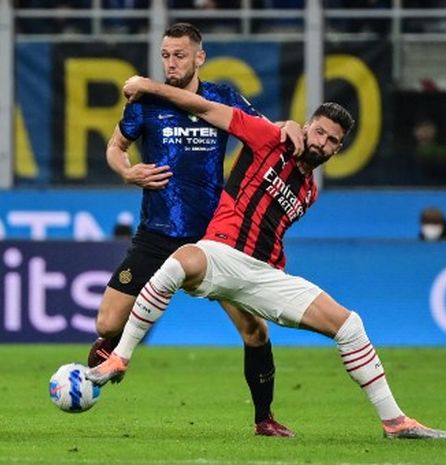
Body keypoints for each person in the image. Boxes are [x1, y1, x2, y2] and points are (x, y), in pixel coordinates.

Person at [87, 75, 446, 440]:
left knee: (348, 325)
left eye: (332, 141)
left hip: (262, 274)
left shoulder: (309, 192)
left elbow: (270, 234)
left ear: (337, 150)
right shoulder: (268, 137)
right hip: (220, 253)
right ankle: (120, 355)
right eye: (319, 132)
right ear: (307, 128)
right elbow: (203, 107)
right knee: (182, 261)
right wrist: (149, 87)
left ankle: (395, 422)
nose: (322, 142)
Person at [88, 22, 304, 437]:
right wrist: (128, 172)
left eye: (180, 55)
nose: (171, 63)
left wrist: (289, 124)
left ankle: (265, 419)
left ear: (199, 57)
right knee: (106, 324)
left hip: (214, 239)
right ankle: (100, 369)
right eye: (166, 55)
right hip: (157, 232)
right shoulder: (144, 103)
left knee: (254, 330)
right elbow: (115, 147)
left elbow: (263, 130)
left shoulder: (221, 97)